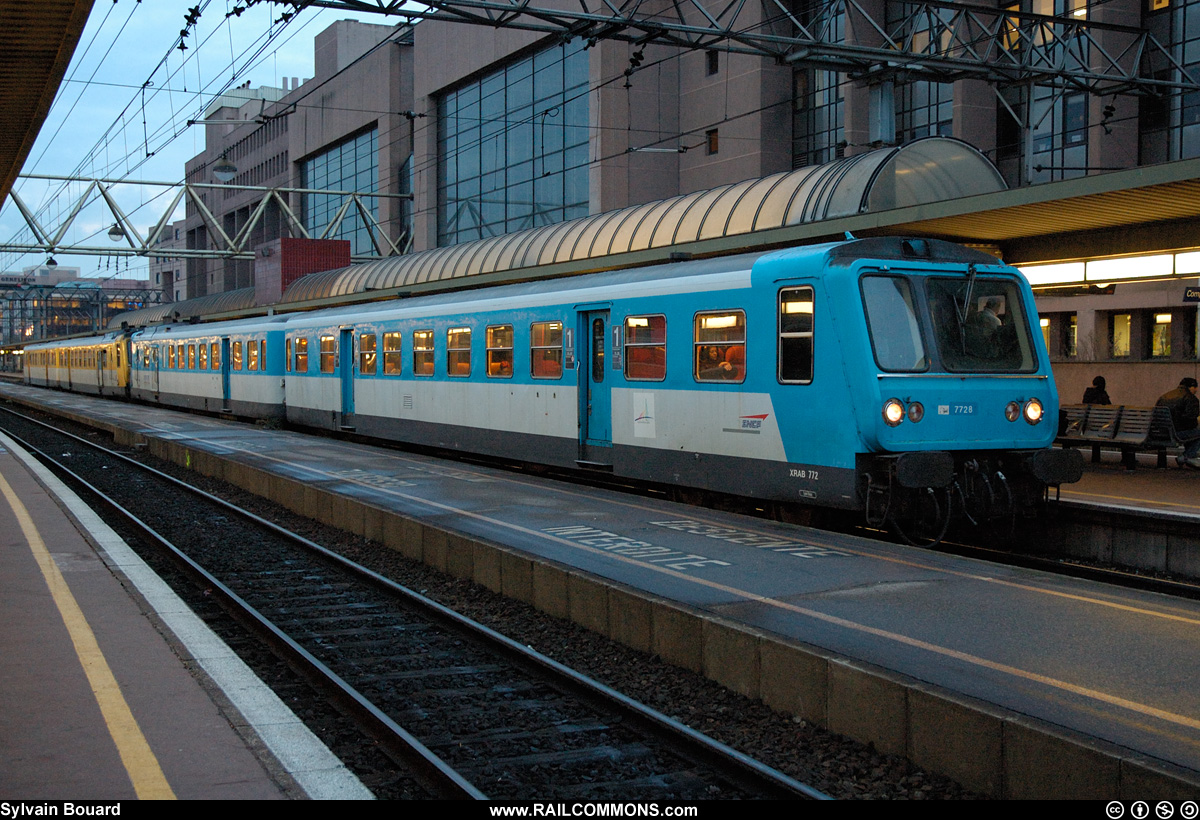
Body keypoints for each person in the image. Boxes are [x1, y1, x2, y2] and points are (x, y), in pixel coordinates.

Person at [1156, 377, 1200, 468]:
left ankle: (1186, 456)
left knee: (1192, 432)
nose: (1196, 390)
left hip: (1160, 432)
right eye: (1196, 388)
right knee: (1196, 431)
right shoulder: (1191, 398)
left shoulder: (1164, 396)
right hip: (1176, 433)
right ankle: (1188, 456)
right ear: (1191, 387)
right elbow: (1190, 420)